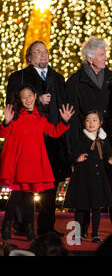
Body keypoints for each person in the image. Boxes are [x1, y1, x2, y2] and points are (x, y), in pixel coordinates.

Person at [6, 41, 70, 237]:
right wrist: (36, 102)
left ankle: (46, 227)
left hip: (52, 139)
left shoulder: (58, 78)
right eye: (38, 52)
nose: (43, 55)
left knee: (51, 185)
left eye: (45, 51)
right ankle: (20, 225)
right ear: (29, 57)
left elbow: (63, 107)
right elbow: (11, 105)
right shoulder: (18, 77)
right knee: (22, 187)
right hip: (27, 141)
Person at [66, 37, 112, 235]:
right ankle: (81, 230)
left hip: (109, 141)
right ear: (90, 58)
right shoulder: (75, 81)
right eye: (101, 54)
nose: (105, 57)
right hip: (86, 142)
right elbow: (72, 116)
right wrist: (77, 144)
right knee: (85, 186)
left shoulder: (111, 77)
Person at [0, 84, 74, 241]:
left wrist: (64, 121)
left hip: (33, 164)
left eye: (29, 96)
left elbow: (54, 132)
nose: (27, 99)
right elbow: (3, 133)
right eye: (23, 97)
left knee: (28, 197)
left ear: (35, 96)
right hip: (18, 163)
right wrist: (6, 122)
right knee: (16, 195)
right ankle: (6, 225)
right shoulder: (14, 116)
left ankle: (29, 229)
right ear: (19, 100)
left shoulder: (40, 118)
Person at [63, 110, 112, 243]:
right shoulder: (80, 138)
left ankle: (95, 234)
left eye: (94, 120)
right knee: (81, 207)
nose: (91, 123)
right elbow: (71, 154)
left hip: (98, 179)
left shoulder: (104, 140)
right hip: (83, 178)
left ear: (100, 123)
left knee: (96, 207)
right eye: (88, 120)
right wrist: (77, 158)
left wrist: (109, 160)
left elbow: (107, 156)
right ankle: (79, 233)